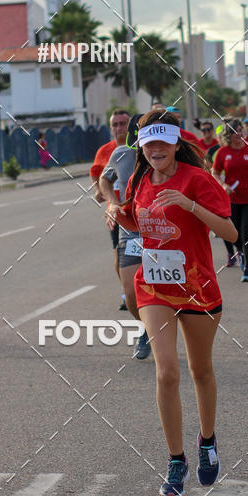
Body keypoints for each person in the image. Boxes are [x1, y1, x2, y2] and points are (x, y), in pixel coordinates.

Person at [105, 110, 237, 496]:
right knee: (166, 373)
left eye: (163, 143)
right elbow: (138, 222)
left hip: (198, 289)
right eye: (149, 145)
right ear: (142, 149)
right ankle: (176, 459)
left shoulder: (198, 180)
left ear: (177, 144)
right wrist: (116, 212)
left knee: (201, 371)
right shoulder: (139, 178)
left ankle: (207, 441)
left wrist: (189, 203)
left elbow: (230, 232)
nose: (156, 150)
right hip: (155, 288)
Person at [99, 126, 151, 360]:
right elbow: (104, 179)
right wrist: (112, 203)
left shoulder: (169, 153)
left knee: (163, 289)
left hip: (162, 230)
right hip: (129, 230)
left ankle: (159, 326)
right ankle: (148, 327)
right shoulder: (121, 154)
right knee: (130, 294)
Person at [212, 118, 248, 282]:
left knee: (247, 233)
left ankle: (247, 268)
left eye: (241, 130)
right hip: (231, 199)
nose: (239, 134)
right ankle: (240, 252)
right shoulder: (223, 152)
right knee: (233, 234)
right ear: (228, 135)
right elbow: (215, 172)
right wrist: (223, 185)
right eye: (235, 131)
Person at [90, 109, 130, 308]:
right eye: (115, 124)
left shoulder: (139, 147)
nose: (119, 128)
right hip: (116, 212)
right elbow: (97, 174)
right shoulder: (105, 151)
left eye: (123, 123)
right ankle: (127, 290)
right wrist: (99, 190)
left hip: (141, 209)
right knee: (119, 252)